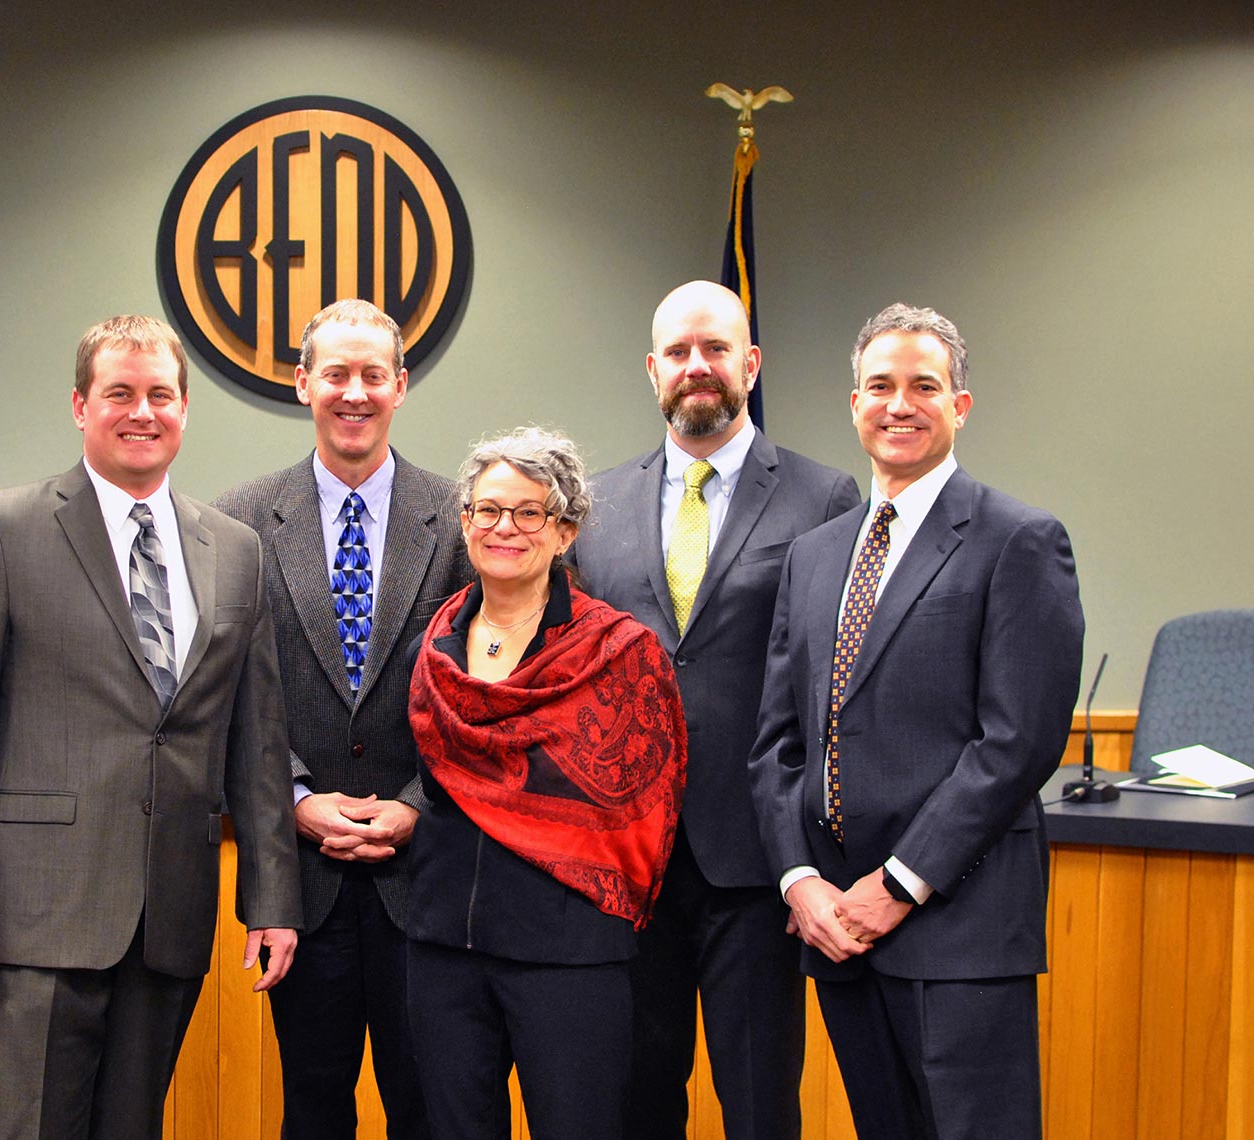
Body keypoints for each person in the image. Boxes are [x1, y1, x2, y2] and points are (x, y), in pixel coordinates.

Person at [0, 315, 302, 1140]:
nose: (142, 411)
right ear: (81, 405)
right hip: (36, 912)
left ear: (186, 410)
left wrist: (272, 898)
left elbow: (257, 746)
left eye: (161, 394)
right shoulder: (1, 528)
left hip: (170, 914)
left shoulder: (234, 551)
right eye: (119, 392)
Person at [747, 303, 1084, 1139]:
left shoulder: (1018, 540)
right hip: (837, 929)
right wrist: (801, 882)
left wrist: (896, 886)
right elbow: (777, 743)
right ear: (854, 404)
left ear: (960, 404)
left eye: (923, 386)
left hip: (957, 924)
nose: (899, 404)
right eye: (880, 386)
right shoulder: (816, 555)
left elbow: (1017, 744)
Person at [572, 280, 859, 1140]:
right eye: (680, 352)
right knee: (635, 1100)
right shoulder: (596, 504)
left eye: (717, 349)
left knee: (759, 1103)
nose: (699, 367)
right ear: (652, 369)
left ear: (750, 363)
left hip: (761, 865)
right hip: (629, 864)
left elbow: (837, 687)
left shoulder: (825, 498)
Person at [215, 299, 471, 1140]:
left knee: (428, 1108)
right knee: (312, 1110)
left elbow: (493, 697)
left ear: (400, 386)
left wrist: (415, 804)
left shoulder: (465, 522)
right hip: (301, 880)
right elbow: (223, 694)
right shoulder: (239, 523)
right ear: (303, 385)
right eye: (336, 374)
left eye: (372, 375)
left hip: (427, 878)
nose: (353, 392)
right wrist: (291, 799)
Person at [405, 426, 687, 1139]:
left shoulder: (618, 652)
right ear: (465, 523)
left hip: (570, 960)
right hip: (443, 951)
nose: (506, 528)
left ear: (565, 531)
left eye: (529, 512)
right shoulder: (432, 650)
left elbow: (647, 812)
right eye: (488, 510)